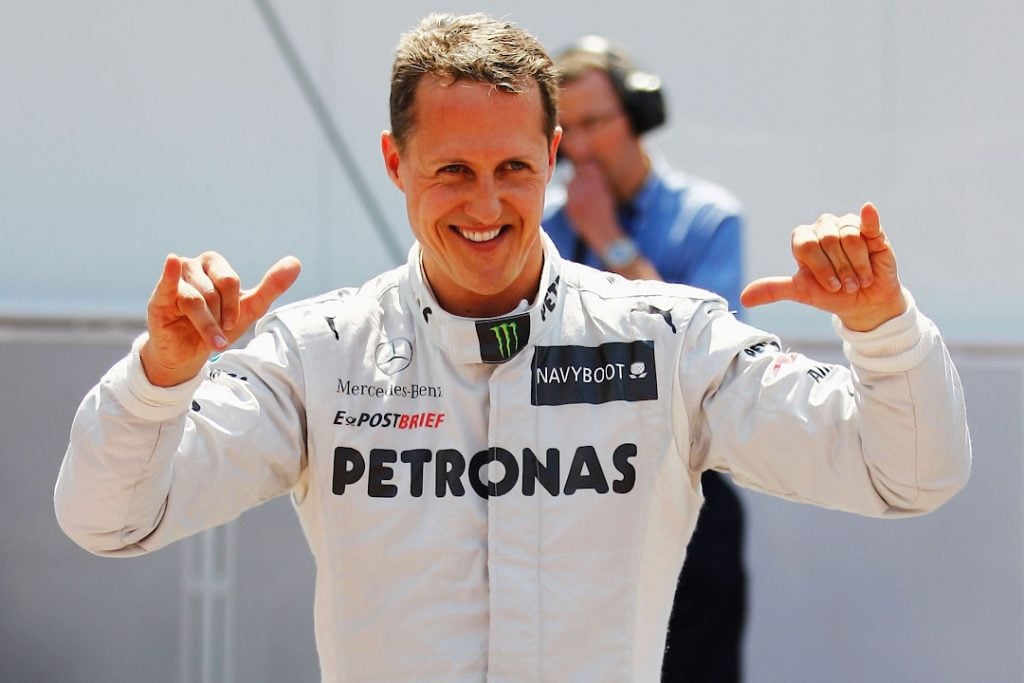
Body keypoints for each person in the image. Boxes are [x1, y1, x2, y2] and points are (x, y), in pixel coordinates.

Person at [54, 12, 971, 683]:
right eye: (452, 169)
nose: (487, 206)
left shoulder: (662, 338)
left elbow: (905, 475)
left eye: (514, 170)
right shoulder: (320, 351)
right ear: (394, 162)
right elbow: (110, 517)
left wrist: (882, 329)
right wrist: (161, 376)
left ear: (554, 156)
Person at [543, 37, 747, 681]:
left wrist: (610, 239)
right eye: (564, 130)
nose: (580, 147)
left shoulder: (707, 218)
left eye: (595, 122)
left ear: (639, 115)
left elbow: (706, 356)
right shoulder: (543, 229)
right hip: (574, 485)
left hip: (687, 483)